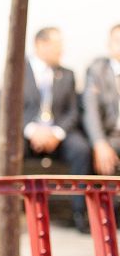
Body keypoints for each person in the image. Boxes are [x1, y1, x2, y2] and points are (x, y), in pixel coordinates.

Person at [23, 27, 91, 232]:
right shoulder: (18, 70)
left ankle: (80, 213)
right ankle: (14, 211)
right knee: (9, 150)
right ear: (40, 44)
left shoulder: (67, 75)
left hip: (58, 134)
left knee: (81, 149)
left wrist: (56, 133)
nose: (61, 50)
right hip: (28, 135)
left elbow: (72, 112)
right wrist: (32, 130)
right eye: (56, 44)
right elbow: (10, 109)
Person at [82, 24, 120, 175]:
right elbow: (91, 110)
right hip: (109, 136)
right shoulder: (97, 70)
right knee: (97, 153)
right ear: (109, 44)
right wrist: (99, 142)